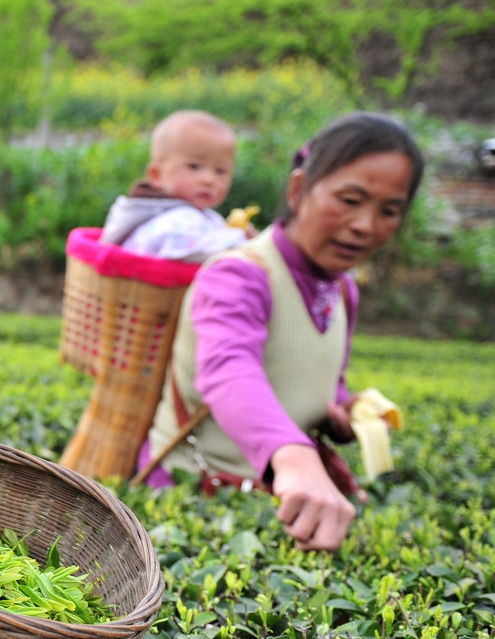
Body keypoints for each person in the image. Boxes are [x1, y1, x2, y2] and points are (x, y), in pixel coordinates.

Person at [139, 112, 425, 552]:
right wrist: (293, 456)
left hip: (277, 501)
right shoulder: (239, 274)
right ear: (298, 190)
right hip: (191, 499)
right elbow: (228, 370)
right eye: (350, 200)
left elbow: (316, 377)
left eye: (389, 211)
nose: (366, 225)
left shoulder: (343, 289)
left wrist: (342, 413)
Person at [100, 110, 252, 262]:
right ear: (157, 175)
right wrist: (244, 241)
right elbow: (202, 252)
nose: (209, 180)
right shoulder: (174, 219)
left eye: (221, 171)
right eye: (194, 167)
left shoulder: (197, 214)